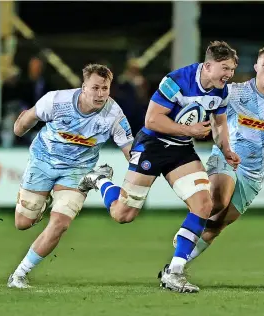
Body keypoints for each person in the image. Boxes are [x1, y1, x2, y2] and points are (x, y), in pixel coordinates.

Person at [78, 41, 241, 293]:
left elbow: (219, 122)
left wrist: (227, 149)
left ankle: (174, 272)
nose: (229, 74)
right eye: (225, 68)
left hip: (181, 150)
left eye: (232, 69)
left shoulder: (222, 91)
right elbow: (152, 120)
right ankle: (100, 179)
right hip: (152, 146)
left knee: (204, 204)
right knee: (123, 214)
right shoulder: (176, 81)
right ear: (208, 66)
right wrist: (190, 130)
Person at [181, 46, 264, 263]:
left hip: (253, 174)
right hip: (227, 157)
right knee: (218, 200)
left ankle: (175, 265)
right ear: (256, 67)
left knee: (216, 226)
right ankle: (184, 237)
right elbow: (204, 101)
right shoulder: (236, 91)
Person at [6, 64, 133, 289]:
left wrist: (145, 169)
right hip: (43, 162)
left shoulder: (114, 114)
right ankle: (43, 201)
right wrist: (18, 129)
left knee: (60, 224)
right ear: (83, 87)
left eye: (105, 88)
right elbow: (27, 119)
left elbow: (129, 150)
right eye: (95, 87)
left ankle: (19, 274)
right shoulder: (56, 101)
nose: (101, 93)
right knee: (22, 223)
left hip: (78, 171)